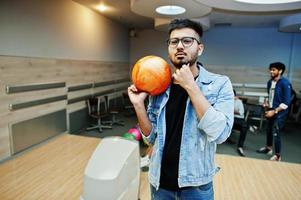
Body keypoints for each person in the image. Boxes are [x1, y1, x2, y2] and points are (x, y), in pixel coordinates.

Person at [128, 19, 234, 200]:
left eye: (187, 41)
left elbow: (221, 133)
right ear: (169, 48)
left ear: (199, 48)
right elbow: (151, 137)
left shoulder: (219, 84)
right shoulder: (159, 87)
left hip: (196, 185)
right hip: (160, 182)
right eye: (174, 41)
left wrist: (191, 87)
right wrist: (139, 106)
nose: (179, 46)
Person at [256, 62, 292, 161]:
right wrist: (267, 104)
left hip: (281, 112)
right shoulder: (270, 82)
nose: (271, 71)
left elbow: (286, 102)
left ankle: (278, 155)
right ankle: (268, 148)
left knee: (276, 131)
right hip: (272, 109)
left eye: (274, 70)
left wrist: (275, 111)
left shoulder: (285, 83)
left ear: (280, 71)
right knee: (268, 129)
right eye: (270, 69)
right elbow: (271, 96)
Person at [233, 90, 249, 157]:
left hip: (238, 119)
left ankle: (240, 147)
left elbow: (241, 112)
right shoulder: (225, 101)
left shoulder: (239, 101)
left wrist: (231, 110)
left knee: (244, 126)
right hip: (229, 119)